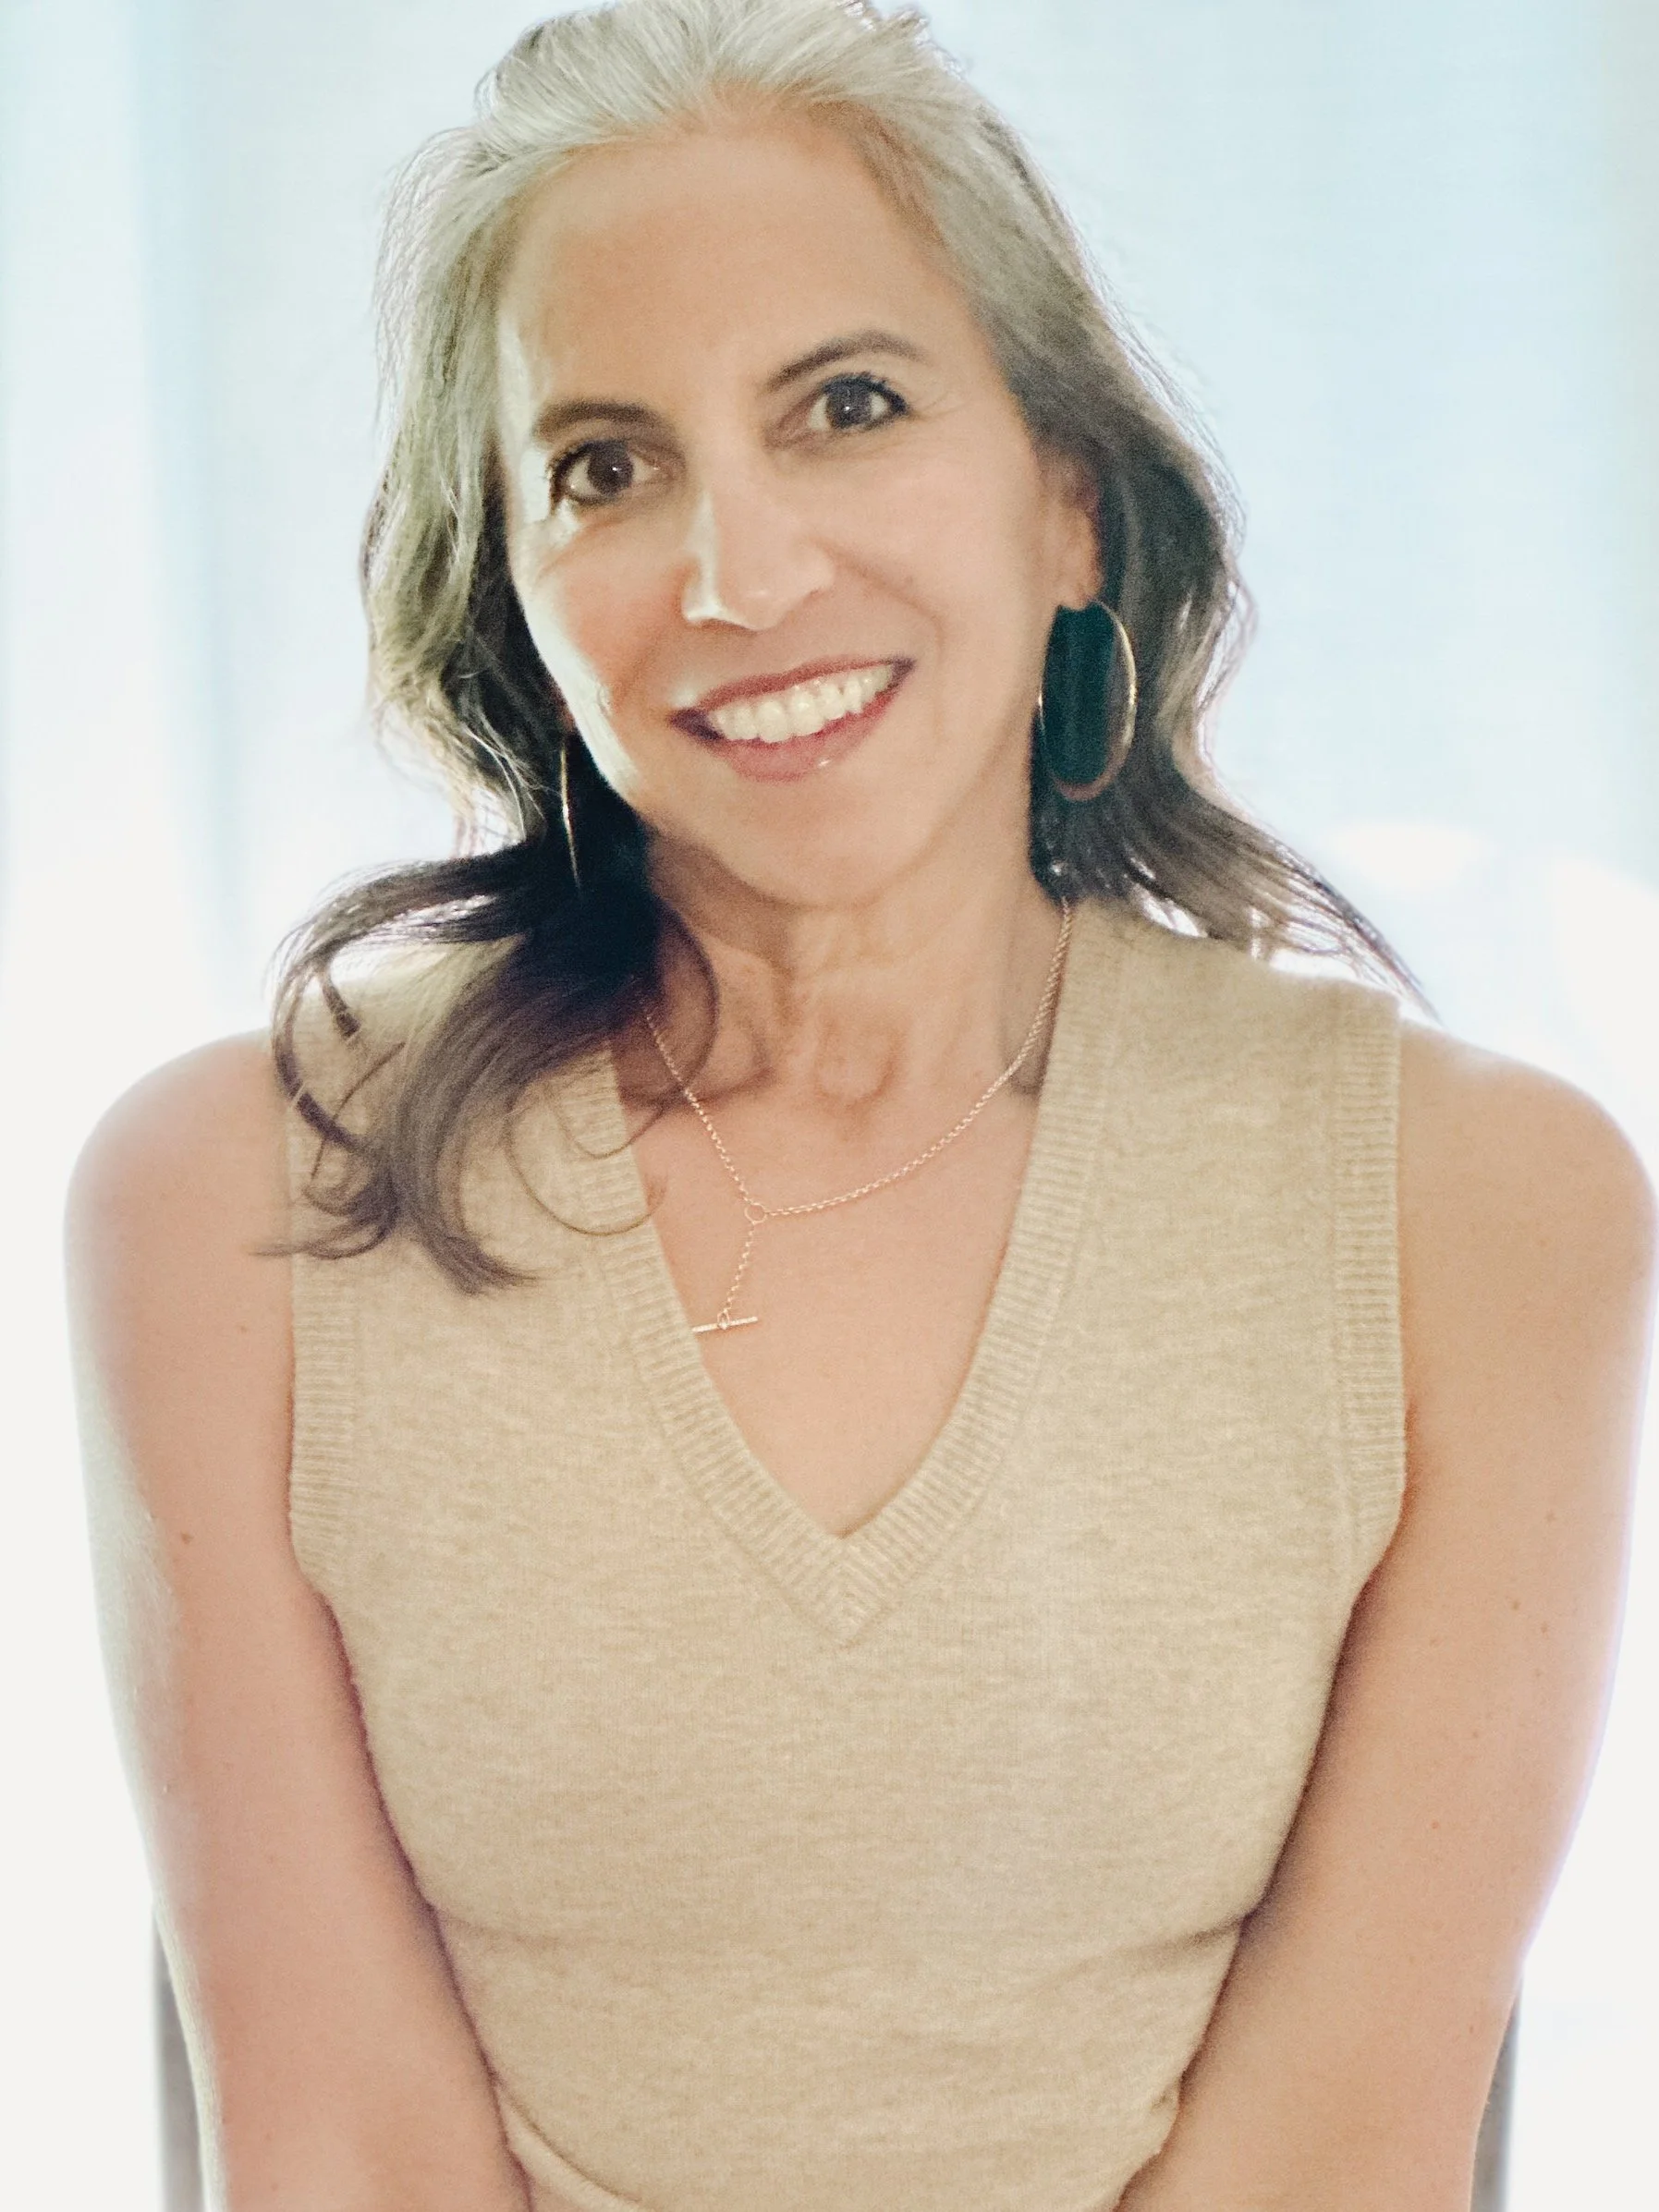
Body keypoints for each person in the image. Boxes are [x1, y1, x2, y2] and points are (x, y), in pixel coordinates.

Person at [66, 3, 1656, 2208]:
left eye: (847, 406)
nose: (740, 577)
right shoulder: (231, 1202)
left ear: (1069, 506)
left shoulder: (1481, 1208)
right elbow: (339, 2152)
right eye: (605, 466)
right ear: (518, 600)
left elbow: (1334, 2158)